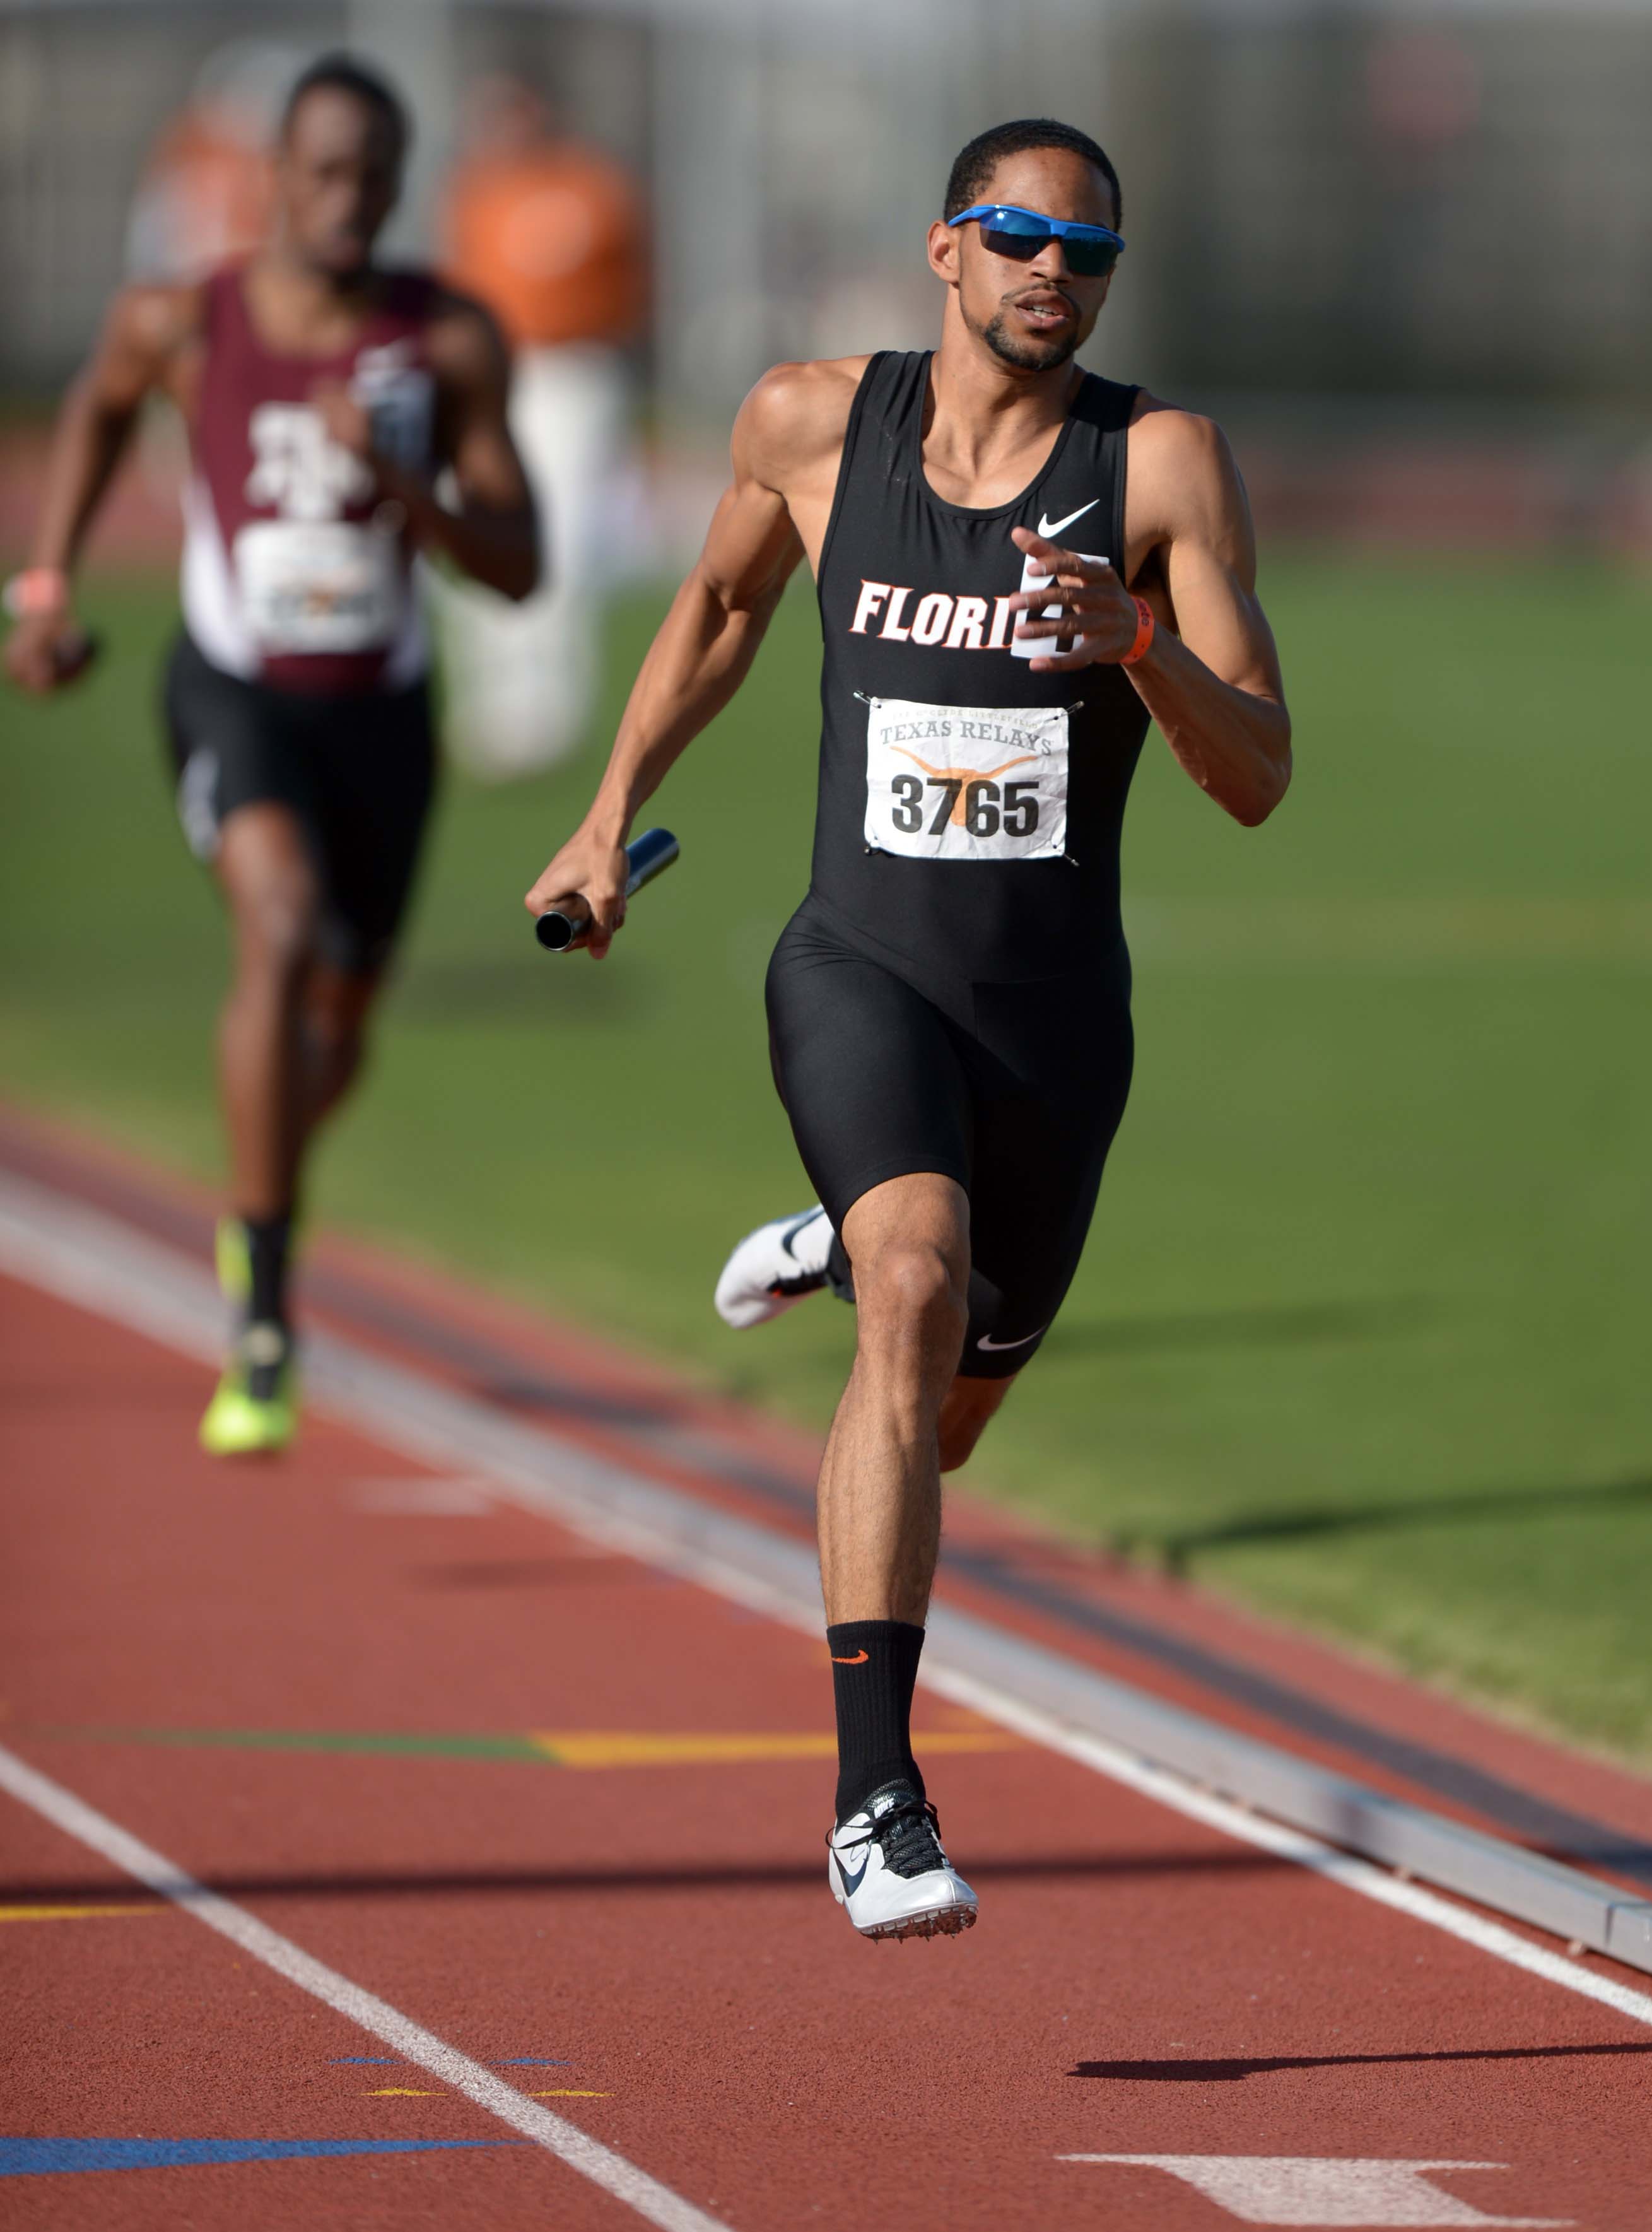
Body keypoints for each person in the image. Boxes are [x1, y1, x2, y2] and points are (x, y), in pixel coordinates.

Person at [527, 118, 1291, 1939]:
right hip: (858, 963)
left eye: (1087, 251)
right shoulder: (810, 423)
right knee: (916, 1280)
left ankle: (842, 1231)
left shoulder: (1162, 465)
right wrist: (603, 806)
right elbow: (716, 606)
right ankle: (878, 1797)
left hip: (1051, 1024)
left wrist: (1138, 648)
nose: (1053, 271)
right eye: (1019, 235)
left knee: (938, 1419)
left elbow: (1258, 773)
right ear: (945, 248)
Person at [5, 54, 537, 1456]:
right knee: (281, 929)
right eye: (323, 171)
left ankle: (264, 1194)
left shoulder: (452, 338)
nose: (348, 198)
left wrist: (404, 484)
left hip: (382, 713)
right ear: (275, 179)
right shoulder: (182, 319)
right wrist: (45, 586)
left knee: (342, 1023)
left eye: (374, 175)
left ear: (398, 182)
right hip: (234, 687)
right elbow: (103, 405)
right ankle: (262, 1296)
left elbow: (522, 564)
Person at [438, 74, 648, 778]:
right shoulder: (476, 191)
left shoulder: (591, 186)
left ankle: (547, 713)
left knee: (563, 539)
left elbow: (629, 285)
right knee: (478, 523)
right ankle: (489, 703)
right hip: (495, 376)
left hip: (570, 373)